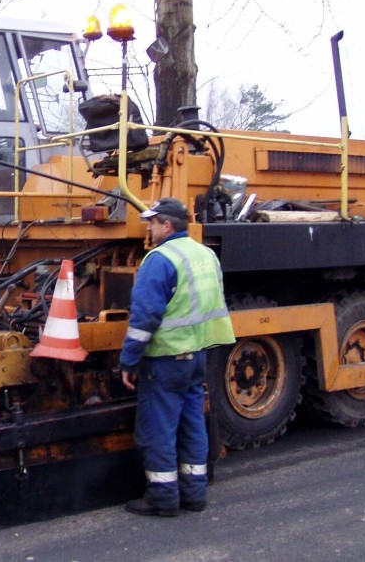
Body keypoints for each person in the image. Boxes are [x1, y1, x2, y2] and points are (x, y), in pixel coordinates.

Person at [119, 197, 235, 517]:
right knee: (192, 424)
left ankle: (163, 498)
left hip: (167, 358)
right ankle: (195, 495)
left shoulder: (159, 259)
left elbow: (144, 319)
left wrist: (129, 361)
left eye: (152, 223)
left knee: (159, 428)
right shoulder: (205, 254)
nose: (149, 227)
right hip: (198, 355)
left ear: (167, 226)